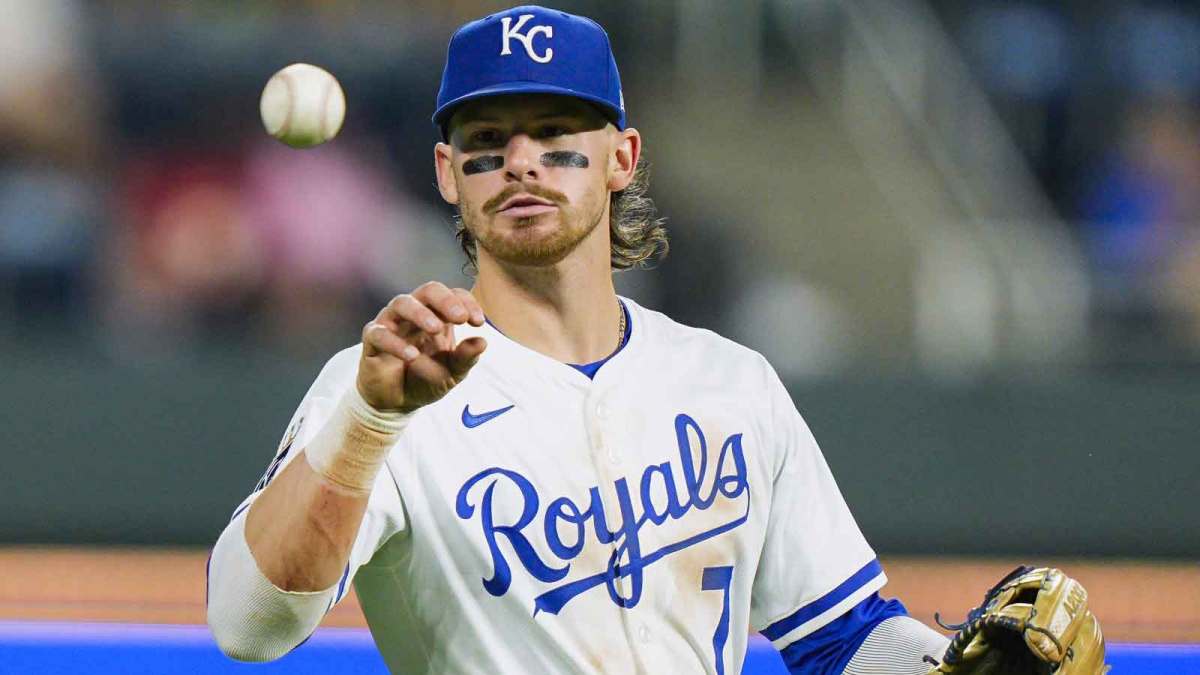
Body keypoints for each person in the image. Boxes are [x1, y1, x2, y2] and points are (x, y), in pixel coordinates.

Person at [207, 6, 1098, 674]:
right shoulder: (389, 381)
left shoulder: (729, 382)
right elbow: (249, 627)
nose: (520, 160)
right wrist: (367, 421)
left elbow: (842, 635)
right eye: (486, 141)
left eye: (556, 135)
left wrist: (947, 669)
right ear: (449, 174)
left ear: (623, 156)